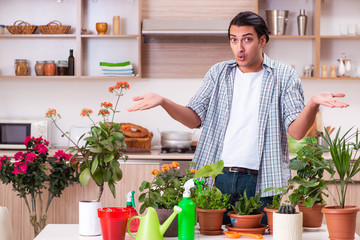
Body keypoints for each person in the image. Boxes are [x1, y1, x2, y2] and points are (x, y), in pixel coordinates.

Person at [128, 11, 349, 224]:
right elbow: (193, 118)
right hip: (217, 179)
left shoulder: (284, 76)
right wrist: (163, 101)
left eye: (247, 39)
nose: (239, 48)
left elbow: (296, 132)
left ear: (262, 41)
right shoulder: (219, 73)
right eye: (234, 40)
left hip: (263, 181)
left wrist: (312, 104)